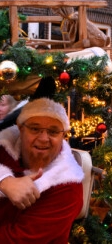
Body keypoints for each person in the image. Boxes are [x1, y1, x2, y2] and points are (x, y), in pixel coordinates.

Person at [0, 98, 84, 243]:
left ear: (63, 134)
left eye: (53, 131)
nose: (44, 138)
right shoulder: (4, 149)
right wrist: (4, 180)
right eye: (34, 128)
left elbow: (16, 240)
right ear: (20, 128)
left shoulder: (68, 187)